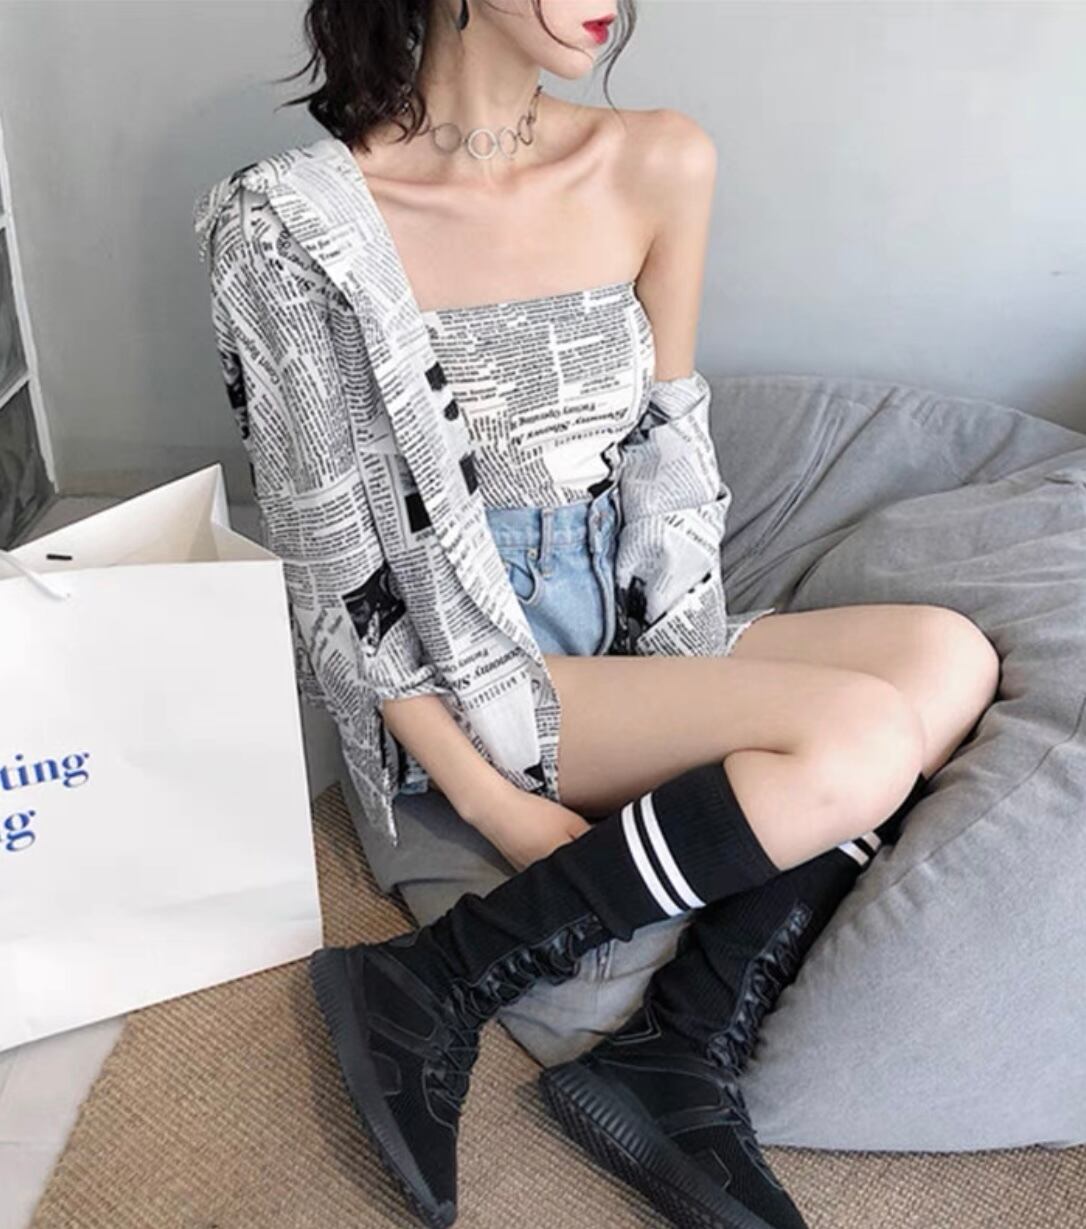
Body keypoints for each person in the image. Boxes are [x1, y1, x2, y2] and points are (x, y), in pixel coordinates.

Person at [227, 2, 1000, 1226]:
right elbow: (334, 574)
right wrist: (494, 803)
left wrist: (694, 669)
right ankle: (434, 980)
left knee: (946, 658)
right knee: (861, 737)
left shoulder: (660, 159)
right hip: (467, 664)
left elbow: (668, 446)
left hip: (630, 622)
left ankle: (670, 1047)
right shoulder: (289, 226)